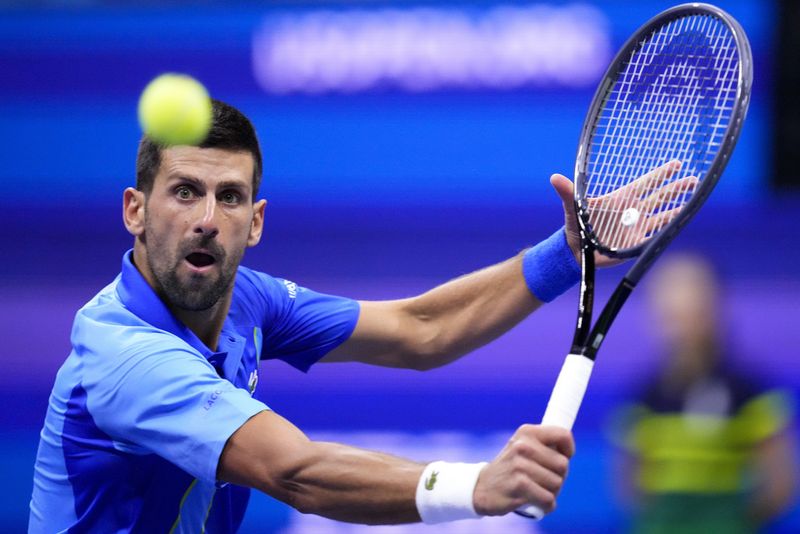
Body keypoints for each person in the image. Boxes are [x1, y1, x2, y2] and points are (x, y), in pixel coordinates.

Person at [29, 99, 671, 533]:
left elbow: (421, 331)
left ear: (255, 223)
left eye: (229, 197)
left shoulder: (246, 298)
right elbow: (295, 471)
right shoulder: (123, 355)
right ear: (134, 212)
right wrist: (478, 485)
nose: (205, 217)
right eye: (184, 191)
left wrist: (568, 254)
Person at [611, 254, 797, 533]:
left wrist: (736, 522)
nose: (680, 328)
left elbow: (780, 484)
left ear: (714, 310)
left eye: (691, 312)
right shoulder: (642, 395)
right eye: (670, 316)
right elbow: (630, 484)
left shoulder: (750, 391)